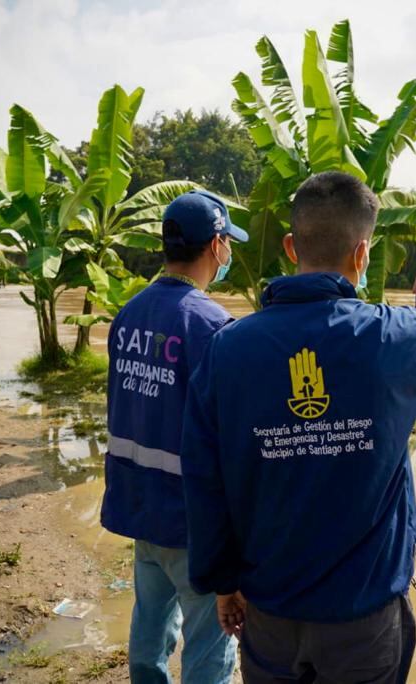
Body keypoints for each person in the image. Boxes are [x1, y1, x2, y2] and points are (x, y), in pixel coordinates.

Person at [181, 171, 416, 683]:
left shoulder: (227, 349)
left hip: (268, 612)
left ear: (290, 247)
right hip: (366, 618)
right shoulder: (396, 339)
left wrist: (222, 581)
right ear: (363, 255)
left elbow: (203, 479)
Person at [101, 189, 248, 683]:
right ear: (216, 245)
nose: (228, 253)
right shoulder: (212, 327)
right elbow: (231, 440)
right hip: (193, 524)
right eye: (227, 242)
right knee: (208, 646)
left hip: (140, 508)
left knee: (150, 628)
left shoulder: (128, 315)